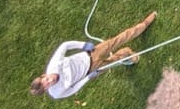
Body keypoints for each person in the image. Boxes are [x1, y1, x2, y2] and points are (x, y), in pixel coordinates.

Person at [29, 11, 157, 99]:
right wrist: (88, 78)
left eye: (46, 80)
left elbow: (65, 46)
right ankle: (126, 52)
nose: (50, 81)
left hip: (91, 54)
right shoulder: (56, 93)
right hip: (91, 71)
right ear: (47, 90)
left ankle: (144, 24)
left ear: (44, 75)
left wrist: (83, 45)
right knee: (114, 61)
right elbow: (73, 89)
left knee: (117, 40)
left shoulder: (54, 64)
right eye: (47, 86)